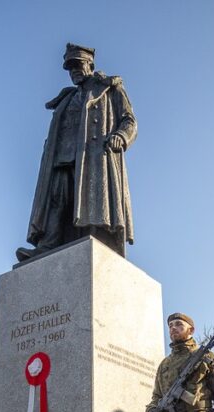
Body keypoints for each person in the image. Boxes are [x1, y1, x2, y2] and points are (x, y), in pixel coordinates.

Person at [16, 43, 137, 262]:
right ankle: (49, 243)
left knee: (92, 199)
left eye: (78, 65)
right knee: (57, 199)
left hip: (93, 156)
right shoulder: (66, 98)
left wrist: (121, 135)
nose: (74, 72)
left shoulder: (109, 87)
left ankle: (97, 237)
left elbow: (129, 120)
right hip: (62, 156)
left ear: (90, 64)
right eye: (70, 68)